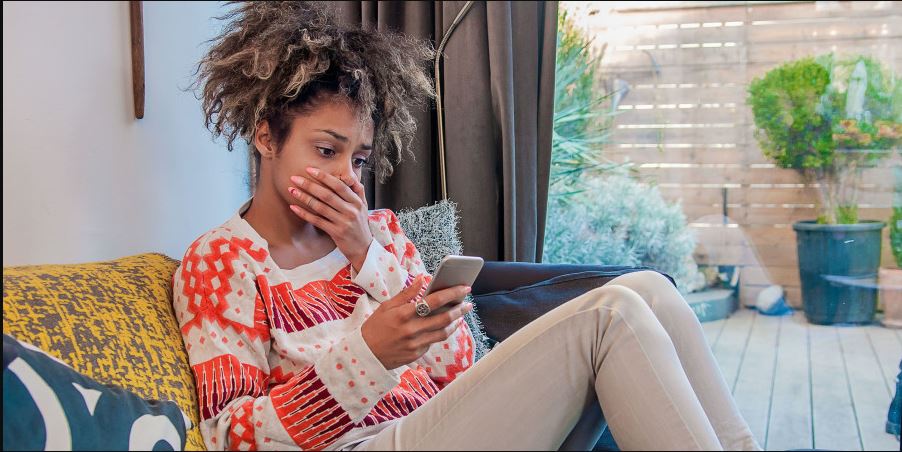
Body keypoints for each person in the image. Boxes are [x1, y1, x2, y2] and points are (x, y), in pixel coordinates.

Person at [174, 2, 761, 450]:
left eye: (357, 159)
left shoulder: (379, 235)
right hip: (363, 443)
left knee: (648, 288)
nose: (347, 176)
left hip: (440, 421)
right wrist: (368, 353)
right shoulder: (222, 261)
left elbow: (457, 368)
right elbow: (232, 434)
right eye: (326, 149)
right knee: (611, 315)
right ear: (266, 135)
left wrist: (366, 255)